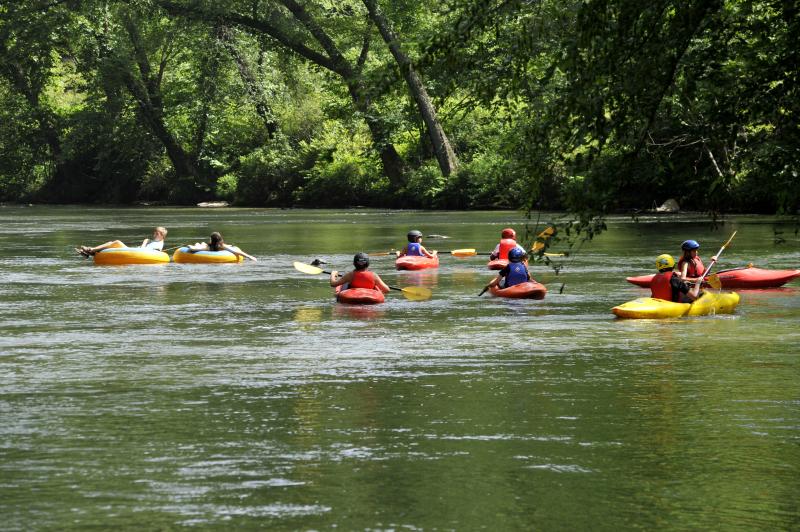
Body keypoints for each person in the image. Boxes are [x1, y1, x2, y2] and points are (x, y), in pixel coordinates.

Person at [77, 226, 167, 257]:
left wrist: (144, 242)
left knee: (117, 242)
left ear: (162, 235)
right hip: (134, 251)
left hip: (137, 253)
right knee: (110, 243)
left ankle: (91, 250)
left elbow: (145, 250)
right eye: (154, 232)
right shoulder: (153, 242)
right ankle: (90, 252)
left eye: (157, 233)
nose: (154, 234)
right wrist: (147, 241)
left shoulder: (159, 243)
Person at [187, 232, 257, 261]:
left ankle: (199, 243)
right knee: (201, 244)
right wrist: (249, 257)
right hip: (214, 248)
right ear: (220, 239)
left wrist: (189, 246)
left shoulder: (208, 247)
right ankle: (200, 243)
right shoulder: (222, 246)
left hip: (206, 248)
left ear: (211, 239)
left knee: (199, 244)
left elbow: (192, 249)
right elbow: (236, 251)